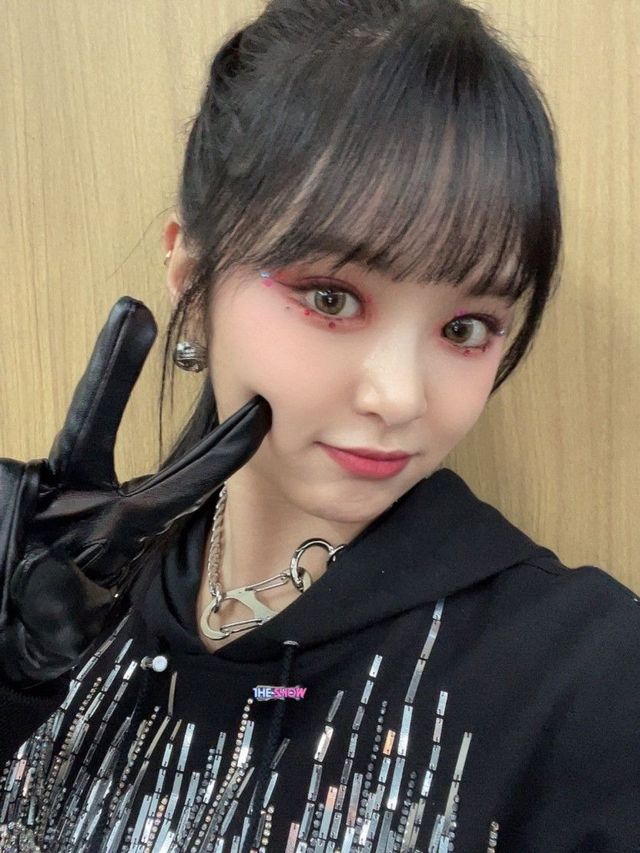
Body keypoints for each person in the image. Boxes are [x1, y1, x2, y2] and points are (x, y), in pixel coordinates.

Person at [1, 0, 639, 850]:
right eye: (332, 298)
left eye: (466, 326)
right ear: (192, 276)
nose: (400, 397)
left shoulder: (591, 680)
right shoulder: (59, 596)